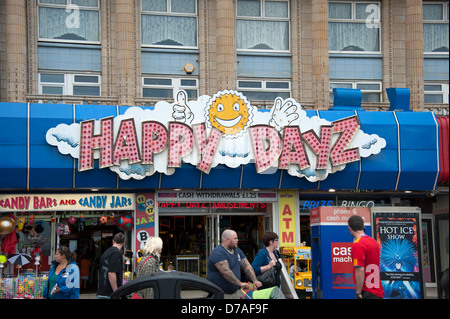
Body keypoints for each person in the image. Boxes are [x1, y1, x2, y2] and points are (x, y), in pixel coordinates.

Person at [206, 229, 262, 299]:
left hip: (233, 293)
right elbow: (226, 271)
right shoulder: (218, 252)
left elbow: (246, 266)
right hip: (219, 294)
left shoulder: (237, 250)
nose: (237, 240)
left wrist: (255, 280)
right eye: (235, 238)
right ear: (227, 239)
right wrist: (240, 283)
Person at [348, 215, 384, 299]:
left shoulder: (357, 244)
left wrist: (358, 292)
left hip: (367, 291)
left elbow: (359, 269)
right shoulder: (373, 242)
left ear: (350, 228)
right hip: (377, 290)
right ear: (363, 227)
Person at [97, 233, 125, 299]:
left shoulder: (106, 252)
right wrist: (116, 292)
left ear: (113, 241)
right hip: (109, 293)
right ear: (123, 243)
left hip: (102, 290)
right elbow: (111, 273)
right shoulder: (116, 253)